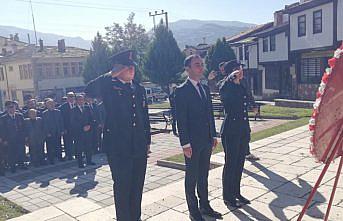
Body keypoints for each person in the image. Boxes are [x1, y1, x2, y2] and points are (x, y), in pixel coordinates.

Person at [85, 49, 151, 221]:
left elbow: (144, 116)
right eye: (127, 67)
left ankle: (135, 218)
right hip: (118, 146)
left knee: (137, 186)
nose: (132, 70)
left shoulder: (139, 88)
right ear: (118, 69)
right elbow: (89, 90)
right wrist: (111, 74)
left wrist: (147, 140)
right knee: (123, 187)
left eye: (132, 67)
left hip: (138, 145)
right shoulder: (109, 86)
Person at [175, 55, 222, 221]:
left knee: (204, 175)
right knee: (192, 176)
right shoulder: (181, 91)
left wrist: (214, 135)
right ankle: (193, 210)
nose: (201, 67)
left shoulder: (204, 88)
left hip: (206, 140)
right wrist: (185, 143)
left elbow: (209, 114)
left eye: (201, 64)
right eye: (197, 65)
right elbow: (181, 120)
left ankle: (205, 205)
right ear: (187, 69)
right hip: (192, 143)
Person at [219, 61, 252, 208]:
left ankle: (236, 192)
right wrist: (229, 78)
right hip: (231, 130)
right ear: (232, 72)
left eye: (241, 68)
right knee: (231, 164)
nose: (241, 71)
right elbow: (224, 92)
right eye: (238, 69)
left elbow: (247, 101)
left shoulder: (242, 85)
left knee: (239, 164)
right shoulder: (226, 86)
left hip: (242, 130)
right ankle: (228, 196)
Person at [0, 101, 27, 173]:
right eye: (10, 107)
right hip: (10, 139)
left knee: (21, 151)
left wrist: (25, 136)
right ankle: (13, 166)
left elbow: (24, 127)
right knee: (11, 153)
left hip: (19, 138)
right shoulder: (3, 118)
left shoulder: (20, 116)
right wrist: (4, 140)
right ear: (6, 108)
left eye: (13, 107)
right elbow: (2, 130)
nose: (12, 109)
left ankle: (21, 164)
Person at [71, 94, 96, 168]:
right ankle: (80, 163)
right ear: (76, 101)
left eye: (82, 99)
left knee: (88, 147)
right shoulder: (73, 110)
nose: (81, 101)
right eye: (79, 100)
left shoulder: (87, 108)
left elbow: (92, 118)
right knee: (79, 148)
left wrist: (89, 126)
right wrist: (82, 128)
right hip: (79, 133)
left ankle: (89, 161)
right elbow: (73, 122)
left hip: (88, 131)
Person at [42, 99, 64, 164]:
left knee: (58, 145)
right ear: (47, 105)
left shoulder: (58, 112)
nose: (51, 105)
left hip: (57, 131)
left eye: (52, 104)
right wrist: (47, 132)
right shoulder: (44, 113)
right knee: (50, 146)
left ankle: (60, 157)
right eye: (49, 104)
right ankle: (51, 159)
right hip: (49, 133)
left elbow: (61, 121)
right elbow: (44, 124)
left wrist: (62, 130)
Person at [59, 92, 76, 160]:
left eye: (72, 96)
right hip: (67, 128)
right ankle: (69, 155)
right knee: (68, 142)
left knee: (77, 141)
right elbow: (61, 119)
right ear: (67, 98)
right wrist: (63, 128)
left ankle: (77, 154)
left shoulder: (77, 104)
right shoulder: (63, 107)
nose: (71, 98)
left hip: (76, 128)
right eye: (70, 96)